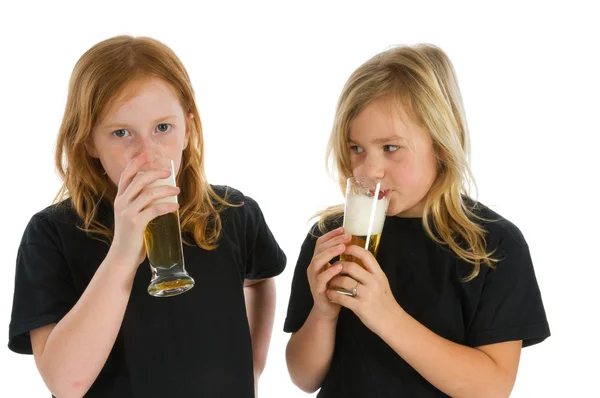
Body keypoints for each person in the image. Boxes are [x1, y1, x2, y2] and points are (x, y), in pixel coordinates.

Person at [8, 35, 286, 398]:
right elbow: (65, 384)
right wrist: (123, 252)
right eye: (121, 133)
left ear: (187, 128)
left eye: (162, 128)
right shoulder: (51, 235)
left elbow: (259, 279)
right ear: (90, 142)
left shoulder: (233, 212)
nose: (148, 153)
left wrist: (253, 367)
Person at [284, 44, 550, 397]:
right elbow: (304, 377)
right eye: (355, 148)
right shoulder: (331, 237)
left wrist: (385, 315)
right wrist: (323, 312)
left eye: (390, 148)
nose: (368, 170)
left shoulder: (492, 245)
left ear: (440, 143)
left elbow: (492, 387)